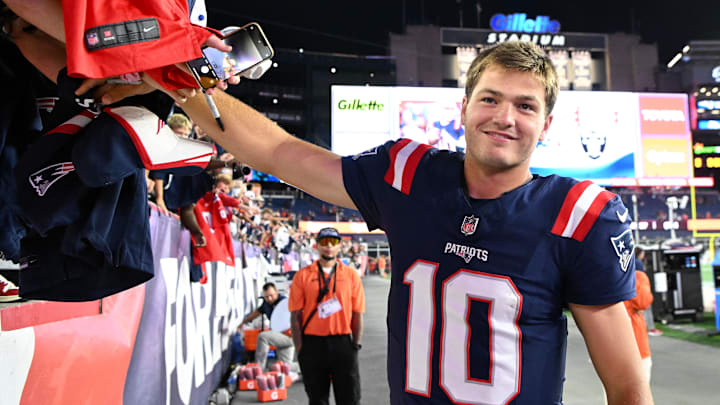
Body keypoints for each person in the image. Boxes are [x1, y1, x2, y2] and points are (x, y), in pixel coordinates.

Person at [101, 40, 653, 404]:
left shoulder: (580, 216)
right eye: (490, 99)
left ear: (547, 124)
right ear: (463, 108)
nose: (505, 117)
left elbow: (628, 387)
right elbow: (280, 153)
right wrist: (184, 85)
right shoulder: (408, 174)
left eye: (526, 106)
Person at [288, 227, 365, 405]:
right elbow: (295, 317)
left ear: (339, 246)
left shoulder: (351, 276)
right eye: (324, 242)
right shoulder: (303, 276)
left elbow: (357, 314)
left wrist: (355, 345)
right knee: (317, 398)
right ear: (317, 246)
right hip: (313, 344)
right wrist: (300, 349)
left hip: (343, 343)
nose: (328, 246)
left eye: (333, 242)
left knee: (349, 397)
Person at [238, 282, 295, 372]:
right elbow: (257, 312)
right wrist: (243, 323)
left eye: (271, 295)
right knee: (285, 367)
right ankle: (313, 368)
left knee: (263, 337)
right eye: (266, 297)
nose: (269, 298)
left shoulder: (285, 303)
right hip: (280, 335)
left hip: (289, 335)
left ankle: (258, 369)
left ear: (276, 292)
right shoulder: (266, 304)